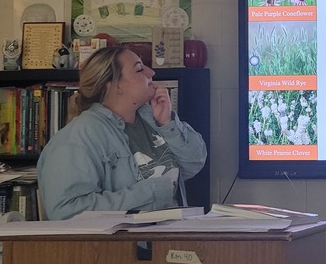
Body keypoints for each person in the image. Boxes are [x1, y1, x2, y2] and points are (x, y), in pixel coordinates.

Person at [37, 46, 207, 220]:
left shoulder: (151, 117)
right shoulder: (79, 136)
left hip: (170, 241)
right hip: (125, 247)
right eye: (139, 69)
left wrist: (167, 124)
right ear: (116, 86)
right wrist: (152, 192)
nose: (151, 72)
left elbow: (194, 163)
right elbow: (66, 211)